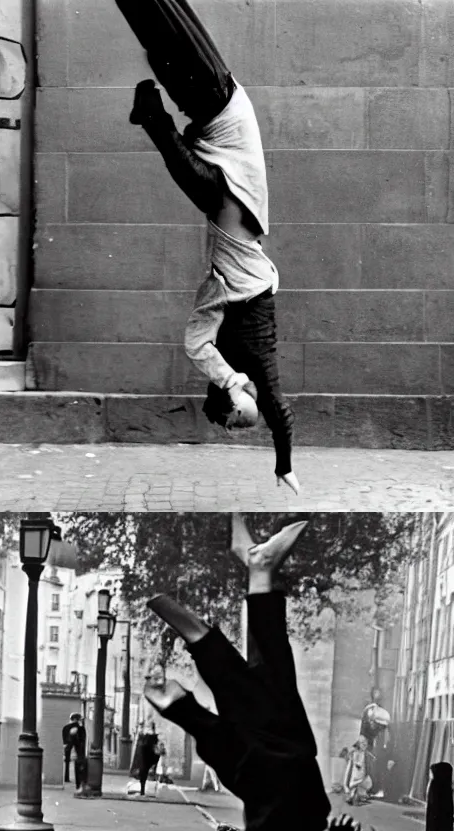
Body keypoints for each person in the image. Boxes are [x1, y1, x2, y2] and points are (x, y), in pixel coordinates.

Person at [141, 514, 383, 831]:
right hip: (282, 752)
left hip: (259, 764)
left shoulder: (255, 826)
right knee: (262, 672)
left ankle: (258, 571)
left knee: (264, 670)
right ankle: (256, 570)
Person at [116, 0, 299, 495]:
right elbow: (276, 405)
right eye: (248, 420)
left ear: (236, 394)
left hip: (218, 115)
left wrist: (230, 385)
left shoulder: (226, 328)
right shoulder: (247, 338)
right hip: (221, 114)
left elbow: (199, 347)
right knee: (161, 16)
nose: (251, 415)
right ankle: (152, 118)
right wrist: (282, 462)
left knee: (156, 20)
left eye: (242, 420)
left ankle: (152, 118)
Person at [62, 713, 86, 789]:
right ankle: (79, 784)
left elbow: (65, 741)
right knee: (78, 763)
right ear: (76, 719)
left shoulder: (66, 727)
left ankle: (67, 777)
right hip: (77, 751)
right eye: (79, 719)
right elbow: (82, 740)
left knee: (68, 762)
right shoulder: (79, 728)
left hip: (70, 748)